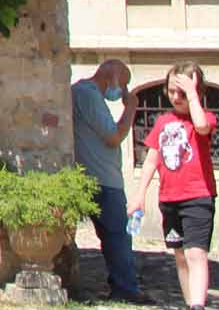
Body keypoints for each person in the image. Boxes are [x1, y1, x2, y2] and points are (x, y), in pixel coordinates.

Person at [139, 61, 219, 310]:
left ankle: (197, 306)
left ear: (197, 92)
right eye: (171, 91)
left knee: (196, 253)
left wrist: (193, 96)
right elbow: (151, 159)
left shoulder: (205, 117)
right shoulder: (163, 121)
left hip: (198, 197)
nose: (176, 97)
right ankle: (190, 303)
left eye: (182, 92)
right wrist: (139, 195)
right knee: (181, 256)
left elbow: (202, 127)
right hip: (169, 199)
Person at [73, 59, 145, 302]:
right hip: (101, 179)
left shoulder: (88, 96)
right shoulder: (88, 95)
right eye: (123, 86)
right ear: (112, 77)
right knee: (118, 236)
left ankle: (123, 285)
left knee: (115, 237)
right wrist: (131, 107)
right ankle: (126, 289)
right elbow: (114, 136)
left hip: (105, 177)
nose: (122, 92)